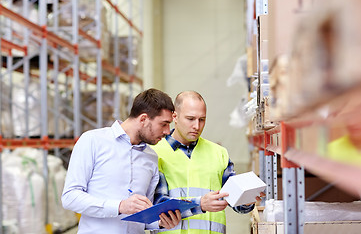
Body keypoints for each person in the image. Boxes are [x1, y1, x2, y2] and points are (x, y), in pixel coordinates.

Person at [61, 88, 182, 234]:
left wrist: (160, 223)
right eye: (164, 124)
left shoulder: (151, 157)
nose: (168, 131)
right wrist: (119, 206)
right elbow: (70, 197)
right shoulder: (92, 141)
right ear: (143, 119)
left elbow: (143, 217)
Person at [151, 91, 263, 234]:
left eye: (202, 119)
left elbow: (236, 203)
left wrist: (246, 199)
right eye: (190, 119)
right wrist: (200, 204)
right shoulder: (155, 153)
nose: (197, 126)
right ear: (175, 117)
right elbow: (158, 206)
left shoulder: (219, 153)